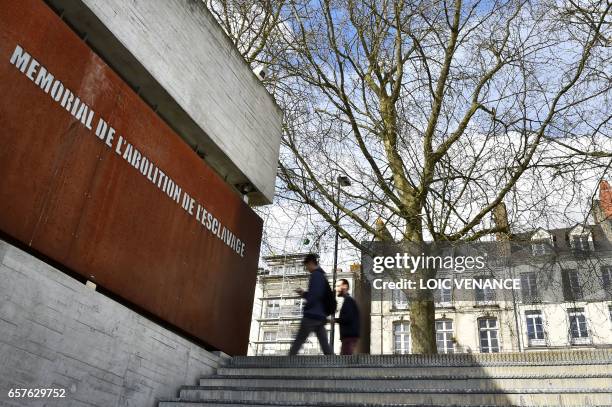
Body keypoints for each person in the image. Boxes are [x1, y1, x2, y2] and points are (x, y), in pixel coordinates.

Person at [289, 253, 333, 355]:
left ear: (311, 263)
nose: (307, 268)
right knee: (325, 345)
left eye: (307, 266)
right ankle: (335, 364)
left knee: (298, 341)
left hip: (311, 315)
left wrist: (306, 303)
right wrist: (304, 293)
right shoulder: (322, 275)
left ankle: (285, 365)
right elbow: (317, 294)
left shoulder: (316, 275)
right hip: (320, 316)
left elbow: (315, 295)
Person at [335, 278, 360, 355]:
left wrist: (334, 320)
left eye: (338, 286)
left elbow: (348, 318)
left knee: (346, 363)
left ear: (345, 287)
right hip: (348, 337)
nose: (336, 288)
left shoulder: (349, 301)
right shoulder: (348, 301)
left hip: (349, 338)